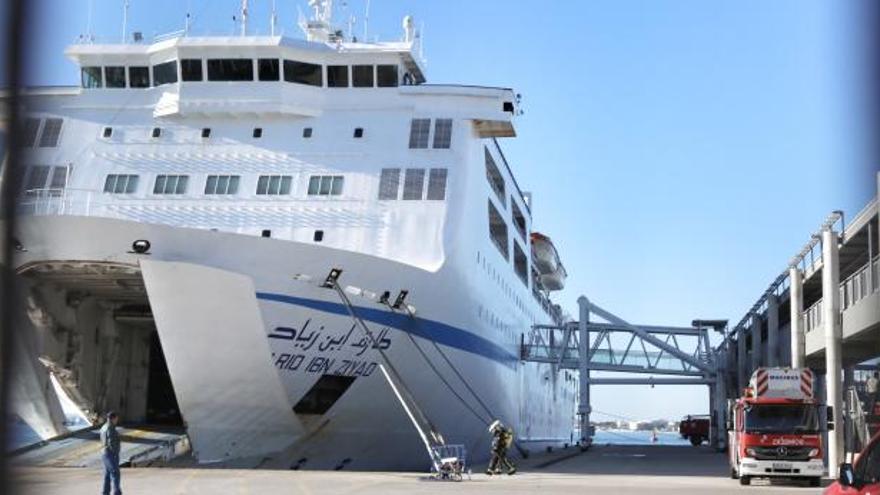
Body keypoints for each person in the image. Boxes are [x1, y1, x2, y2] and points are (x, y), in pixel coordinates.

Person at [100, 411, 122, 495]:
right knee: (115, 474)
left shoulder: (103, 427)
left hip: (104, 453)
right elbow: (111, 442)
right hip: (110, 454)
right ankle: (117, 493)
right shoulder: (110, 428)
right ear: (113, 418)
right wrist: (116, 453)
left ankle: (105, 493)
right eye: (116, 419)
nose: (117, 420)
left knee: (107, 474)